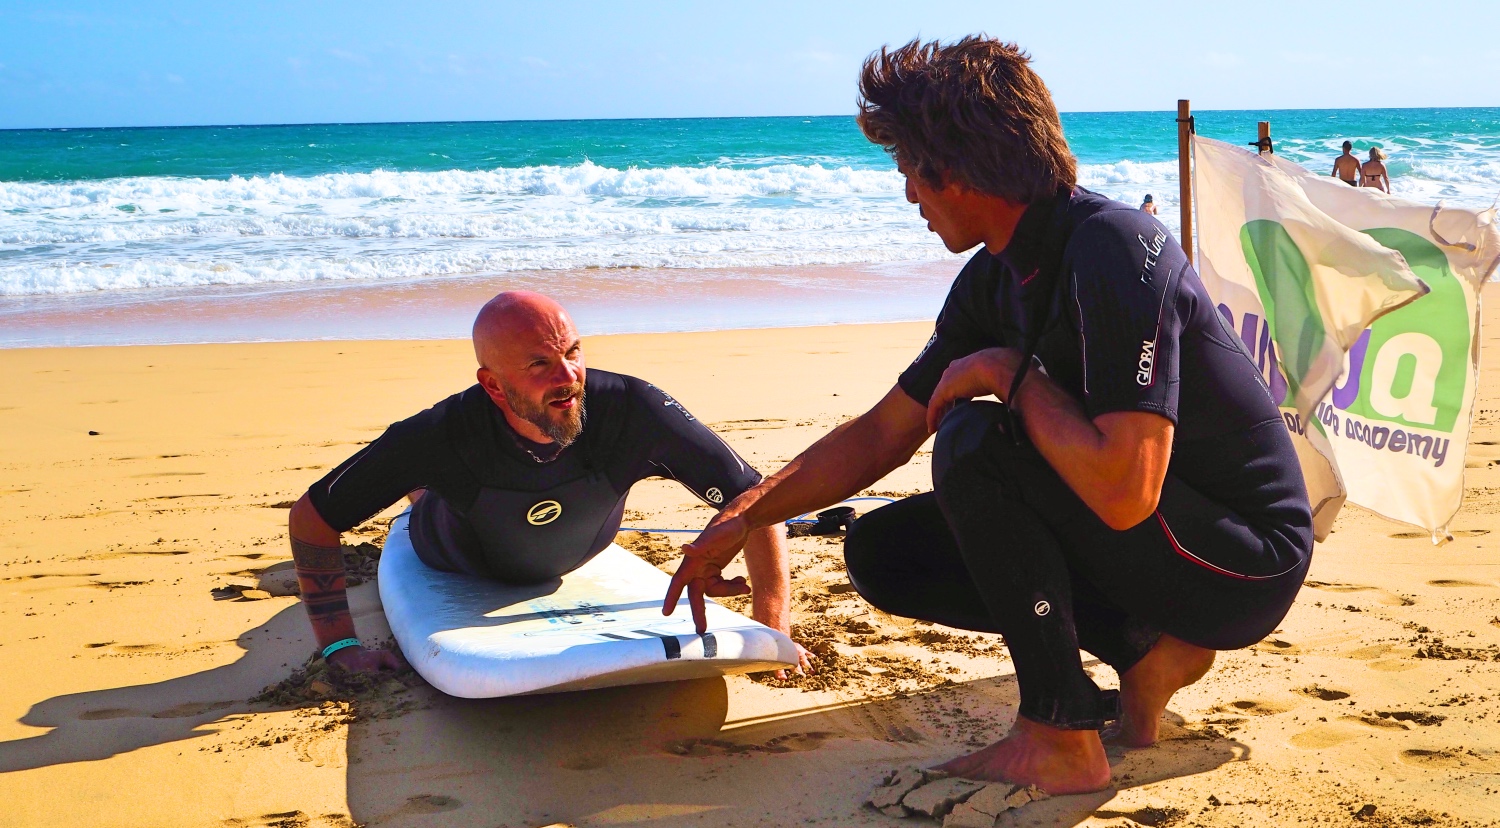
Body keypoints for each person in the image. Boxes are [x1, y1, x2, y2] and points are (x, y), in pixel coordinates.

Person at [666, 36, 1312, 794]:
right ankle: (1144, 653)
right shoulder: (994, 279)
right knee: (886, 550)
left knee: (976, 441)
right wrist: (743, 516)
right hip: (1157, 544)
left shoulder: (1113, 248)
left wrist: (1010, 374)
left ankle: (1059, 731)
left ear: (961, 172)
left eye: (910, 170)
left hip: (1240, 560)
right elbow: (882, 431)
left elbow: (1125, 489)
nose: (910, 194)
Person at [289, 291, 810, 677]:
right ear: (492, 384)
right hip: (451, 553)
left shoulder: (634, 410)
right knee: (427, 495)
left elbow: (757, 500)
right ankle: (419, 496)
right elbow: (313, 519)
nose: (567, 375)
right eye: (539, 363)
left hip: (573, 549)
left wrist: (772, 625)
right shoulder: (439, 434)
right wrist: (339, 648)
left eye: (573, 352)